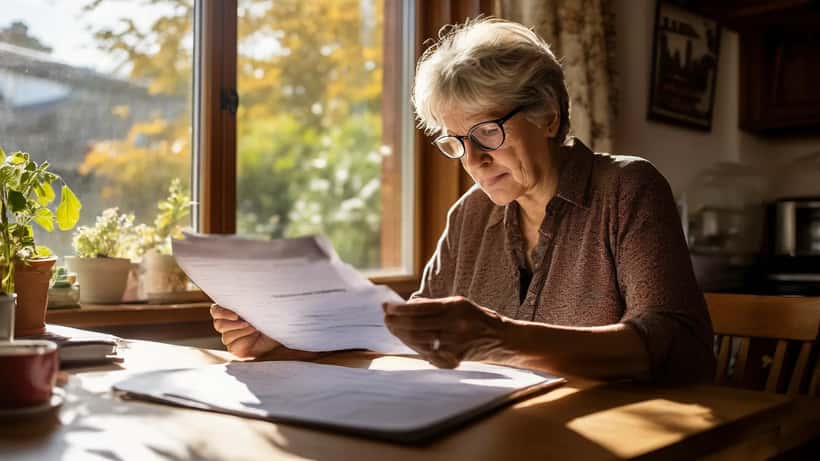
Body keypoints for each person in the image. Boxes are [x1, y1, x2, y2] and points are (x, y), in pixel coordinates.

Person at [212, 18, 715, 384]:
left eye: (488, 131)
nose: (472, 160)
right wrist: (282, 342)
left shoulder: (628, 189)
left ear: (549, 117)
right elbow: (410, 336)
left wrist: (504, 338)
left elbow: (678, 348)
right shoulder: (471, 213)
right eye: (454, 141)